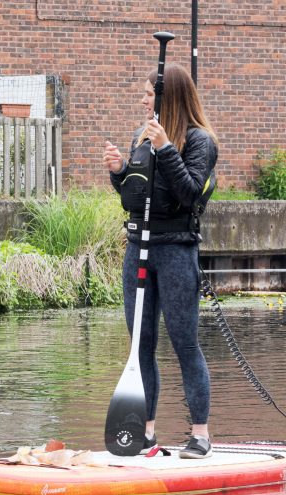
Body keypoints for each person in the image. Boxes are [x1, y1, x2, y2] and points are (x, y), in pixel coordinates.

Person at [103, 63, 218, 459]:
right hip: (138, 249)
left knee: (185, 343)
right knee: (141, 344)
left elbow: (188, 194)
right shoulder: (141, 136)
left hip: (176, 252)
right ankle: (146, 433)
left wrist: (167, 147)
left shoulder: (200, 141)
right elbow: (135, 196)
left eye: (149, 93)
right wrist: (120, 172)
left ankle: (199, 434)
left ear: (169, 97)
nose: (143, 99)